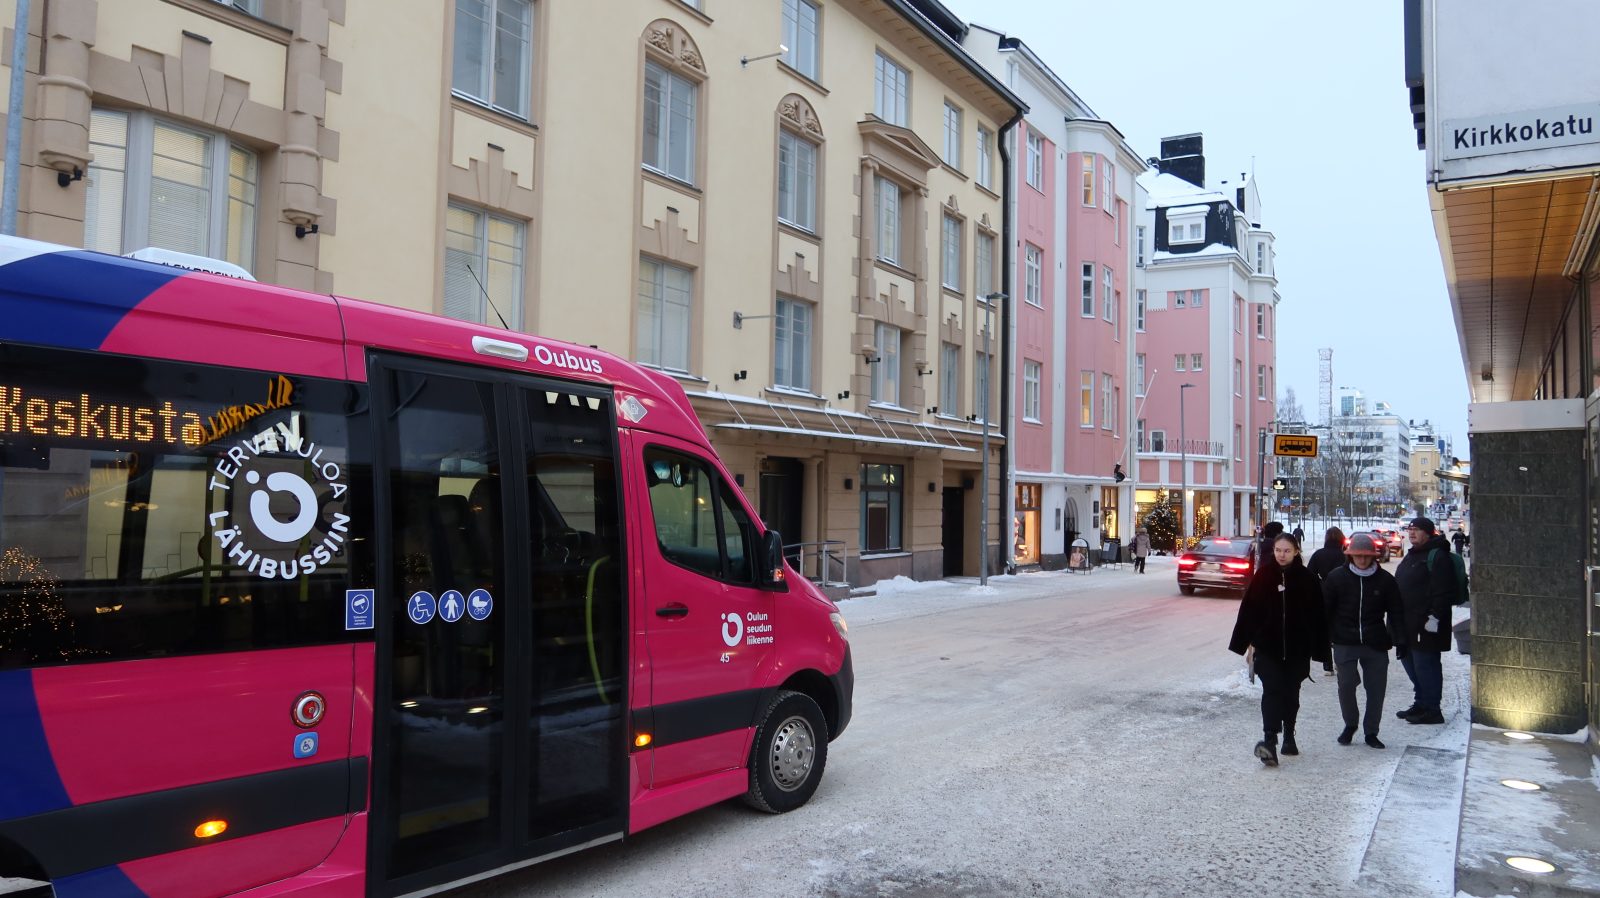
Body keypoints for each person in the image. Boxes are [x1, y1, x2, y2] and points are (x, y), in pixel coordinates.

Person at [1229, 533, 1329, 766]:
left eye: (1286, 550)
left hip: (1297, 648)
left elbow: (1318, 617)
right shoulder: (1263, 575)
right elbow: (1248, 611)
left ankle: (1290, 735)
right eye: (1277, 550)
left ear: (1296, 551)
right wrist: (1244, 643)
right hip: (1268, 647)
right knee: (1272, 690)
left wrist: (1321, 650)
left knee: (1291, 692)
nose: (1281, 555)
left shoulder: (1307, 578)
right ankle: (1270, 741)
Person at [1321, 533, 1407, 748]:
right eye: (1357, 555)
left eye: (1366, 556)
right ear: (1350, 556)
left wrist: (1401, 640)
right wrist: (1323, 640)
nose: (1361, 559)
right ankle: (1350, 724)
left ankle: (1371, 731)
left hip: (1375, 642)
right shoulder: (1336, 578)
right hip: (1344, 641)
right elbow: (1324, 612)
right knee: (1346, 685)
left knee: (1376, 689)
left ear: (1373, 557)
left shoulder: (1385, 580)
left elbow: (1396, 612)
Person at [1393, 516, 1456, 725]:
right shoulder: (1413, 555)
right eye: (1410, 529)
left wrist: (1434, 618)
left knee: (1426, 665)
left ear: (1428, 533)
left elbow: (1443, 591)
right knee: (1411, 664)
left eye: (1417, 530)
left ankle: (1432, 709)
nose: (1411, 533)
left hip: (1426, 624)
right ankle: (1421, 702)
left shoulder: (1437, 556)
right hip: (1407, 623)